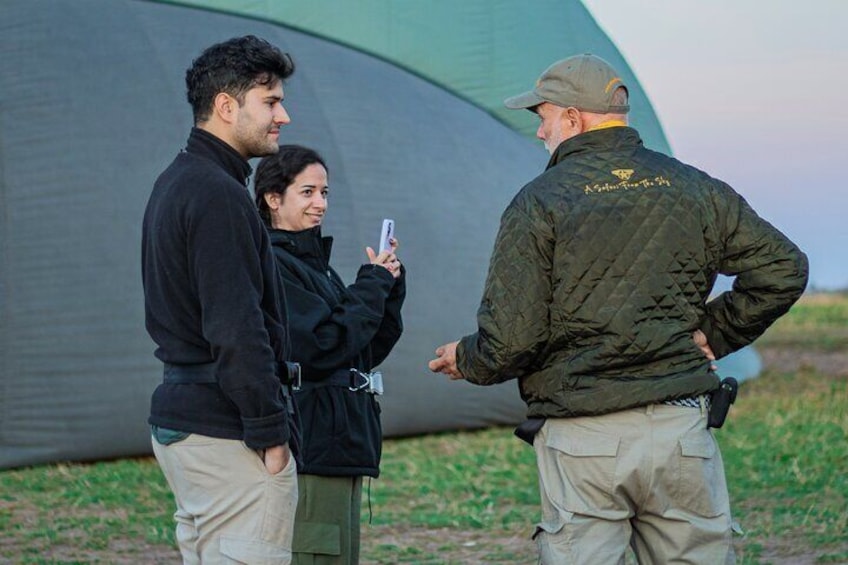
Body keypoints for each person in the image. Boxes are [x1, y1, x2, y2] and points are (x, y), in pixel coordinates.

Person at [428, 53, 808, 564]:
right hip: (680, 433)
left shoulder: (540, 201)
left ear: (572, 117)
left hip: (585, 438)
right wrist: (712, 334)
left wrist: (466, 358)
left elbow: (512, 340)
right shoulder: (694, 187)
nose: (540, 132)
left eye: (541, 117)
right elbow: (784, 267)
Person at [141, 35, 300, 564]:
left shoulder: (178, 181)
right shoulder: (215, 193)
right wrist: (270, 431)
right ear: (226, 106)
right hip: (227, 431)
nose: (284, 116)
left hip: (191, 422)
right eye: (271, 102)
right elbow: (236, 326)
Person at [254, 145, 406, 565]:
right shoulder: (274, 265)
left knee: (339, 554)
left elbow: (363, 350)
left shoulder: (317, 268)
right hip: (313, 445)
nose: (320, 203)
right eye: (307, 192)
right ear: (272, 198)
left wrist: (387, 289)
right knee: (315, 553)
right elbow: (321, 346)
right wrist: (370, 287)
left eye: (325, 192)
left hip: (342, 444)